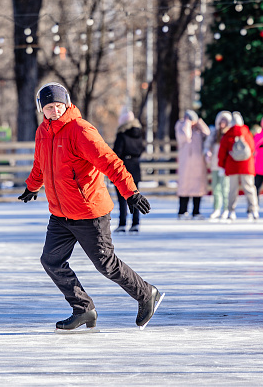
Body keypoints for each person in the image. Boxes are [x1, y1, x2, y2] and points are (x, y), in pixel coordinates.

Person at [18, 82, 164, 331]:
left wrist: (130, 192)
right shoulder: (43, 131)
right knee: (51, 261)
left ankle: (146, 293)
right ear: (42, 109)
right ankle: (83, 308)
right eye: (49, 107)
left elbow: (110, 162)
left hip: (89, 211)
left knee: (105, 264)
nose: (55, 111)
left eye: (59, 105)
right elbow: (40, 163)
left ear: (67, 104)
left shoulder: (80, 130)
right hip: (61, 214)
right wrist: (33, 186)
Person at [218, 111, 260, 221]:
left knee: (232, 190)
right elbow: (252, 148)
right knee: (249, 188)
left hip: (232, 166)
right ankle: (253, 210)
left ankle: (231, 211)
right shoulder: (247, 133)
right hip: (247, 165)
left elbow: (222, 152)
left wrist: (221, 166)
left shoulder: (228, 134)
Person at [112, 109, 146, 234]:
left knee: (122, 198)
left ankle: (122, 223)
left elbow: (117, 152)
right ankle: (135, 223)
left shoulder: (122, 134)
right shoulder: (139, 134)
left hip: (123, 168)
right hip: (135, 167)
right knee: (135, 196)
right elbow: (141, 149)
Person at [175, 110, 210, 219]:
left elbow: (208, 134)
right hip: (186, 163)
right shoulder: (181, 126)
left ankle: (196, 212)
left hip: (198, 163)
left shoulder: (198, 129)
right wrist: (187, 123)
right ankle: (182, 211)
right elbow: (185, 136)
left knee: (198, 187)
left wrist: (200, 122)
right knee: (184, 187)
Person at [204, 110, 233, 221]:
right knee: (215, 188)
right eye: (221, 121)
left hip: (225, 166)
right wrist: (207, 152)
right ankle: (216, 208)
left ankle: (226, 209)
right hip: (215, 164)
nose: (222, 124)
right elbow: (207, 145)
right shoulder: (215, 134)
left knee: (225, 188)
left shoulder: (229, 134)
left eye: (225, 121)